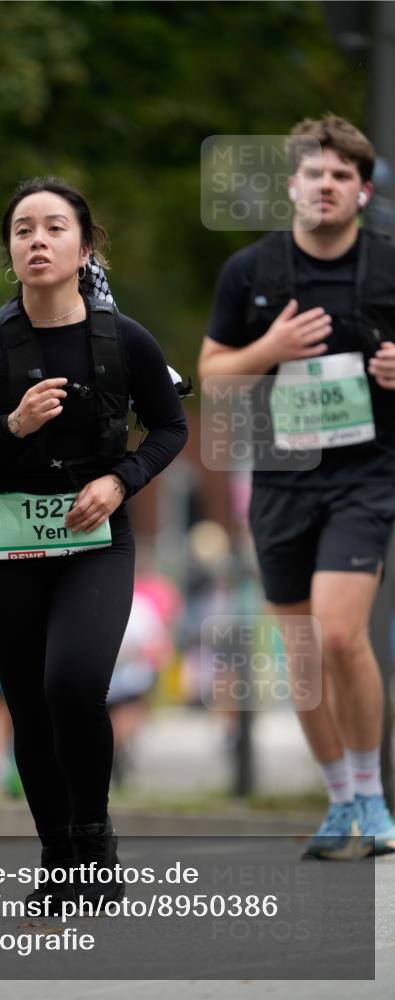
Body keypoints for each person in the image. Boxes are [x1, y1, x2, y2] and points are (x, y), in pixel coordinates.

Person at [0, 177, 188, 912]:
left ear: (85, 247)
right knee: (27, 704)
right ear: (10, 250)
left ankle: (94, 830)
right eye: (23, 230)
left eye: (54, 228)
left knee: (72, 683)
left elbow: (170, 426)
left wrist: (120, 483)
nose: (37, 241)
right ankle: (59, 854)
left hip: (95, 538)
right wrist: (13, 427)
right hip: (8, 539)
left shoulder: (124, 340)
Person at [198, 115, 395, 858]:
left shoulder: (387, 268)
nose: (324, 185)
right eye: (313, 172)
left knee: (341, 633)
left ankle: (373, 797)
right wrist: (269, 349)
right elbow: (212, 376)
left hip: (365, 475)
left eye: (340, 175)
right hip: (280, 480)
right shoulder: (250, 272)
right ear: (290, 185)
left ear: (361, 192)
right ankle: (339, 799)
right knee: (303, 655)